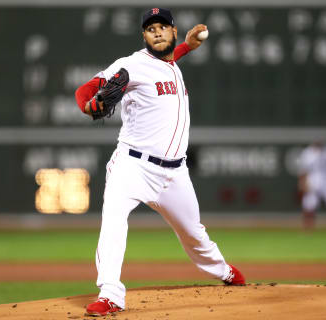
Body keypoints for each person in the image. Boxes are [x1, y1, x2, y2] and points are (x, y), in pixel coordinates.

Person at [74, 8, 245, 317]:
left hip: (174, 174)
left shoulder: (171, 63)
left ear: (173, 32)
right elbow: (85, 90)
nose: (157, 31)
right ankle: (110, 293)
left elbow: (168, 59)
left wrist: (188, 48)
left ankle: (224, 271)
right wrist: (87, 106)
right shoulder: (130, 65)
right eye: (150, 28)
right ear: (144, 35)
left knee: (194, 234)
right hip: (132, 166)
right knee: (113, 220)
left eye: (163, 26)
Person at [297, 141, 326, 230]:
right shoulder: (307, 153)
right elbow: (303, 171)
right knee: (309, 204)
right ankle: (308, 226)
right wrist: (303, 184)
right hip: (313, 181)